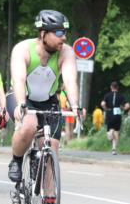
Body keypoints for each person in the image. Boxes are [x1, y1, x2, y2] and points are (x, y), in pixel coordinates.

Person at [7, 11, 81, 188]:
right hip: (23, 97)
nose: (64, 38)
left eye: (65, 33)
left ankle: (49, 203)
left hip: (49, 101)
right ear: (43, 34)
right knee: (29, 126)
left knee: (51, 149)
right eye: (59, 33)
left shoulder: (66, 52)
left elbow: (70, 80)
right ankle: (16, 160)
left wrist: (75, 105)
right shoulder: (22, 49)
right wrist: (21, 104)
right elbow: (19, 79)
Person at [100, 81, 130, 155]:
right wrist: (123, 108)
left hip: (110, 113)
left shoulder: (107, 95)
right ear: (117, 88)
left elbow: (103, 103)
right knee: (116, 132)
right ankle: (114, 150)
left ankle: (110, 133)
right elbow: (128, 105)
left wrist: (105, 108)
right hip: (118, 113)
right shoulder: (121, 96)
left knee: (110, 132)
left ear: (111, 87)